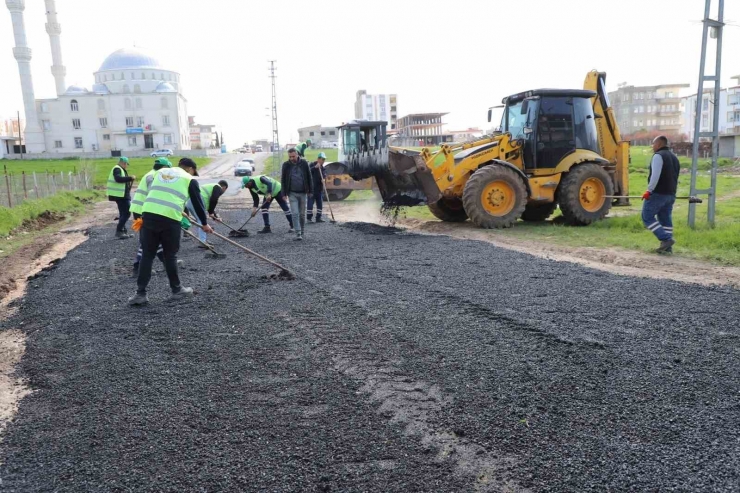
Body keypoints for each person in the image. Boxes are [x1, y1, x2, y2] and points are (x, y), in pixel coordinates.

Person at [128, 158, 213, 306]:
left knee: (147, 255)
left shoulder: (160, 172)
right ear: (190, 169)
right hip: (169, 220)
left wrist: (180, 209)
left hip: (148, 215)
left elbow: (160, 193)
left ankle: (140, 294)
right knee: (170, 255)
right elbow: (198, 204)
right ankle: (177, 290)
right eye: (194, 171)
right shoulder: (189, 179)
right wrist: (204, 224)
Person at [130, 157, 175, 275]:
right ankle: (138, 266)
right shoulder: (154, 177)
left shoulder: (151, 174)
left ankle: (165, 262)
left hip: (142, 210)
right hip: (144, 211)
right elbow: (154, 196)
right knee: (148, 240)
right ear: (164, 168)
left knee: (154, 238)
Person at [642, 135, 680, 254]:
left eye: (653, 144)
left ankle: (666, 239)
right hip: (671, 194)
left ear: (658, 144)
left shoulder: (658, 156)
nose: (652, 146)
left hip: (658, 193)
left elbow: (655, 175)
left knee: (647, 216)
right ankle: (667, 248)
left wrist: (649, 190)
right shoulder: (674, 157)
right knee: (665, 219)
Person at [281, 148, 313, 241]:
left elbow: (309, 177)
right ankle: (298, 233)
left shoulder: (304, 164)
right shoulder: (286, 165)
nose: (291, 158)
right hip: (292, 193)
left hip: (303, 193)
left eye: (293, 156)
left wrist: (311, 191)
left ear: (297, 155)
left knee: (302, 214)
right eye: (290, 157)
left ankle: (302, 230)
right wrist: (284, 193)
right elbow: (283, 180)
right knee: (295, 213)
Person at [186, 179, 229, 246]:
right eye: (224, 190)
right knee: (202, 221)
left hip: (190, 202)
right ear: (224, 187)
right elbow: (214, 199)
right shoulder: (218, 187)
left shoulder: (211, 187)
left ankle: (203, 240)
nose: (223, 192)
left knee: (199, 220)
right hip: (195, 203)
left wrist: (215, 217)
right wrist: (211, 212)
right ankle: (202, 242)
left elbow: (210, 205)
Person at [107, 156, 136, 239]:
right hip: (120, 195)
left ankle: (123, 232)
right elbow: (118, 179)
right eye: (126, 164)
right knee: (127, 213)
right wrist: (130, 178)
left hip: (121, 195)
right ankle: (119, 231)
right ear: (124, 163)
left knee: (123, 213)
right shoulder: (117, 169)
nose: (126, 166)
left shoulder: (119, 168)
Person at [307, 152, 326, 223]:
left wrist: (323, 179)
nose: (323, 161)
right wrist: (315, 168)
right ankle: (309, 218)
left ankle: (318, 217)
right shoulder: (311, 165)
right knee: (310, 204)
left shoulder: (323, 168)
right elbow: (307, 172)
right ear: (318, 159)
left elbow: (324, 175)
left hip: (319, 189)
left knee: (320, 204)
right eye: (322, 159)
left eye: (324, 159)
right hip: (311, 189)